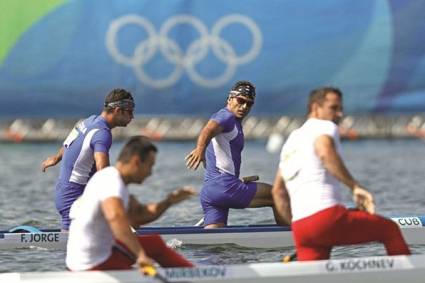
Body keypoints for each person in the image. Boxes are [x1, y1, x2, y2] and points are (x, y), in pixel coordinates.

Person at [271, 86, 411, 261]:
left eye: (341, 108)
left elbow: (278, 191)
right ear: (315, 108)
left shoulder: (292, 140)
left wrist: (300, 224)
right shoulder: (324, 126)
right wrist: (355, 187)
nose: (339, 114)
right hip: (327, 218)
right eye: (333, 108)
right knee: (390, 230)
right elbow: (324, 151)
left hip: (301, 229)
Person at [66, 136, 196, 271]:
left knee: (154, 244)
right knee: (151, 249)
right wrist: (140, 255)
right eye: (150, 166)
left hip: (93, 255)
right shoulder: (111, 181)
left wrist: (169, 201)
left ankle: (191, 274)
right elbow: (115, 217)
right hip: (92, 263)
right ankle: (196, 276)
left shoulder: (114, 182)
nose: (150, 173)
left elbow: (139, 215)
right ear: (136, 162)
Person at [185, 80, 287, 228]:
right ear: (230, 99)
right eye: (241, 101)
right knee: (278, 194)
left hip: (210, 193)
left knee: (215, 244)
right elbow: (208, 129)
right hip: (225, 187)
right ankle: (291, 238)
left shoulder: (229, 121)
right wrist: (200, 149)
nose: (244, 106)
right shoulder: (226, 117)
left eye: (249, 104)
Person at [41, 88, 135, 230]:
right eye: (129, 111)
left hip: (66, 194)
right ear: (117, 110)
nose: (132, 117)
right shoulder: (102, 134)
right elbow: (102, 170)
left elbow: (68, 143)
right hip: (75, 199)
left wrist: (56, 158)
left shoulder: (88, 121)